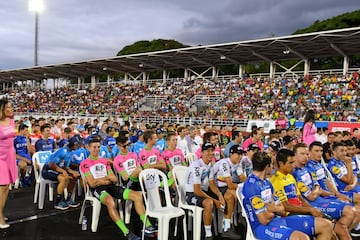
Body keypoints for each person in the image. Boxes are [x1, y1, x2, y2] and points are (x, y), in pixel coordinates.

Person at [80, 137, 156, 240]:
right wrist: (106, 178)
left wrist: (101, 179)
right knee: (110, 201)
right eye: (94, 147)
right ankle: (126, 232)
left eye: (98, 147)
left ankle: (147, 226)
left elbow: (114, 179)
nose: (97, 149)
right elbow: (92, 183)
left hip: (110, 186)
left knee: (137, 195)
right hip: (97, 190)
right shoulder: (85, 163)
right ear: (88, 148)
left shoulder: (105, 161)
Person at [242, 151, 320, 240]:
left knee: (325, 225)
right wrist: (274, 209)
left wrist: (268, 208)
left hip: (277, 220)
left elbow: (282, 210)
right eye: (271, 165)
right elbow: (264, 220)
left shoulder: (267, 183)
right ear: (267, 166)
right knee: (302, 238)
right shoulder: (251, 186)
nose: (272, 168)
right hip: (261, 228)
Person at [292, 143, 358, 240]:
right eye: (302, 154)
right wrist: (317, 191)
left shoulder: (307, 170)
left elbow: (318, 186)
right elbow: (311, 196)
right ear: (294, 155)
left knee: (355, 211)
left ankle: (340, 231)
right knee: (349, 211)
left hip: (321, 199)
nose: (306, 156)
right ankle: (339, 230)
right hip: (313, 204)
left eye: (306, 154)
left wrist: (334, 194)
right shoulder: (294, 173)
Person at [270, 148, 335, 240]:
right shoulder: (276, 181)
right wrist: (309, 210)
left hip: (300, 211)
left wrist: (312, 209)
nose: (293, 165)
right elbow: (285, 206)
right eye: (290, 163)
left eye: (294, 162)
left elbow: (300, 198)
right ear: (281, 163)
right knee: (326, 226)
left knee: (332, 232)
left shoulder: (290, 177)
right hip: (290, 215)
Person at [185, 143, 225, 240]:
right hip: (191, 194)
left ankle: (223, 227)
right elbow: (197, 191)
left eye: (212, 150)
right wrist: (216, 201)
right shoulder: (197, 167)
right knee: (209, 202)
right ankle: (208, 234)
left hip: (201, 191)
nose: (211, 153)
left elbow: (212, 184)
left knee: (224, 196)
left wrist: (220, 196)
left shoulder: (210, 165)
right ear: (202, 153)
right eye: (207, 151)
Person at [209, 144, 244, 232]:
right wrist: (242, 186)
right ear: (231, 154)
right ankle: (228, 225)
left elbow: (244, 179)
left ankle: (229, 223)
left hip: (224, 187)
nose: (240, 156)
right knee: (232, 195)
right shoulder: (224, 163)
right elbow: (230, 185)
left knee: (236, 193)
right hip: (214, 188)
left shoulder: (237, 163)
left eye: (241, 154)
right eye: (238, 154)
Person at [41, 137, 81, 210]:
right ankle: (58, 202)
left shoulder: (69, 152)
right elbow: (51, 164)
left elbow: (66, 167)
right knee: (63, 178)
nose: (79, 146)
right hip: (47, 170)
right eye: (77, 144)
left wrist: (73, 172)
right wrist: (63, 171)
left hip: (57, 169)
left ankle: (68, 199)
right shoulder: (63, 151)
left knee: (74, 177)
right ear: (73, 145)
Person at [0, 99, 16, 229]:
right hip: (0, 157)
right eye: (9, 107)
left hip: (10, 155)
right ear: (2, 109)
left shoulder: (12, 120)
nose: (11, 109)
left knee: (6, 187)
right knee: (2, 186)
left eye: (11, 107)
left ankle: (0, 212)